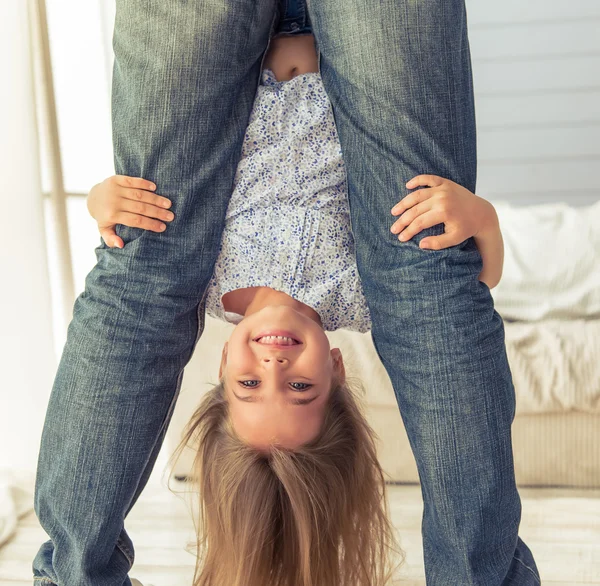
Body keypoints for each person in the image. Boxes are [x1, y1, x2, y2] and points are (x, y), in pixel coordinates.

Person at [32, 1, 541, 585]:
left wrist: (104, 201)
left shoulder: (199, 278)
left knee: (147, 256)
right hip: (356, 49)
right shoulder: (367, 295)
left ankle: (69, 574)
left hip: (229, 55)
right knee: (429, 269)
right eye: (300, 386)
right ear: (337, 368)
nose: (273, 363)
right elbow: (476, 282)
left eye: (250, 384)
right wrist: (483, 218)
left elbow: (127, 213)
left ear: (222, 363)